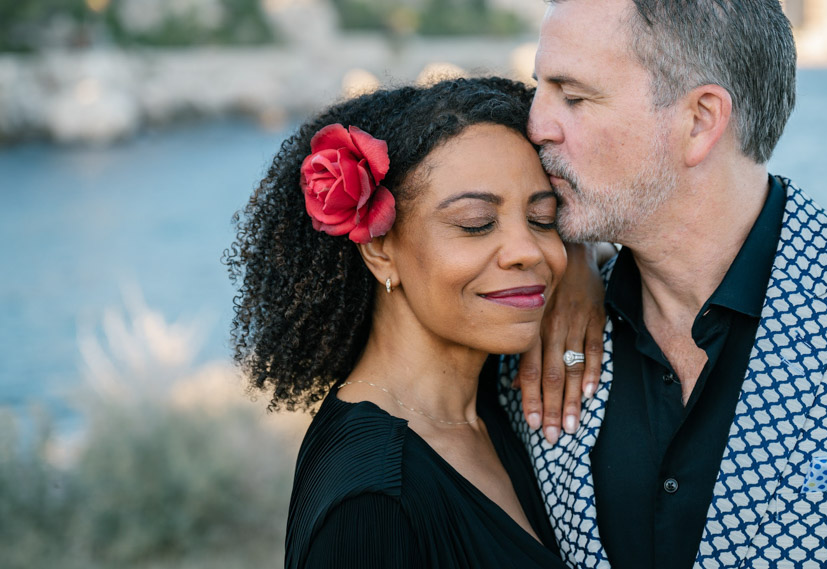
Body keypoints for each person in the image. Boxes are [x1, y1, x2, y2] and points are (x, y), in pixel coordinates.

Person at [501, 0, 827, 569]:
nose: (536, 124)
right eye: (539, 89)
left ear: (701, 119)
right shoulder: (531, 329)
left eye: (574, 96)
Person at [226, 77, 572, 568]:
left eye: (543, 219)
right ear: (380, 249)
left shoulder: (495, 400)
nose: (528, 251)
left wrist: (581, 275)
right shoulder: (370, 505)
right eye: (476, 223)